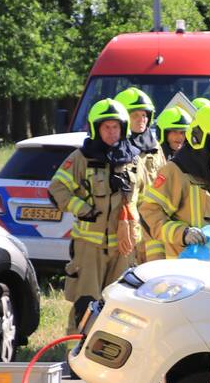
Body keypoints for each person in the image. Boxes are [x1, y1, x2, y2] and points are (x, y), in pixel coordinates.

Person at [49, 98, 141, 332]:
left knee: (121, 305)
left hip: (124, 248)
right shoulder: (81, 158)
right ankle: (75, 354)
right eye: (106, 127)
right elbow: (57, 189)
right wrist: (84, 210)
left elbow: (147, 199)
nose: (112, 133)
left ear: (123, 128)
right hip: (90, 246)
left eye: (116, 127)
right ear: (96, 128)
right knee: (86, 303)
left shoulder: (133, 160)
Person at [140, 103, 210, 258]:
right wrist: (182, 234)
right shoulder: (176, 171)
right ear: (201, 137)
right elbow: (149, 214)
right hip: (185, 268)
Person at [116, 87, 165, 263]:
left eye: (144, 115)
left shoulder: (155, 147)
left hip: (153, 226)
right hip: (126, 227)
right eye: (135, 115)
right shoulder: (117, 150)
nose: (141, 120)